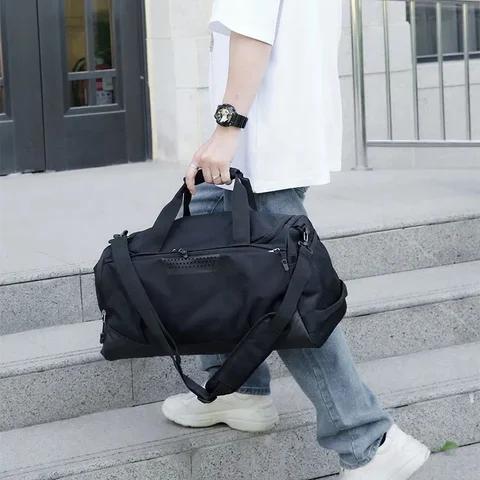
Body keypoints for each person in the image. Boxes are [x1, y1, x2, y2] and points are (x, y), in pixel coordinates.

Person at [162, 1, 431, 478]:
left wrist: (226, 130)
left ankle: (368, 440)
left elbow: (252, 34)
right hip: (277, 134)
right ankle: (235, 387)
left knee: (286, 295)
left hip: (260, 143)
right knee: (208, 243)